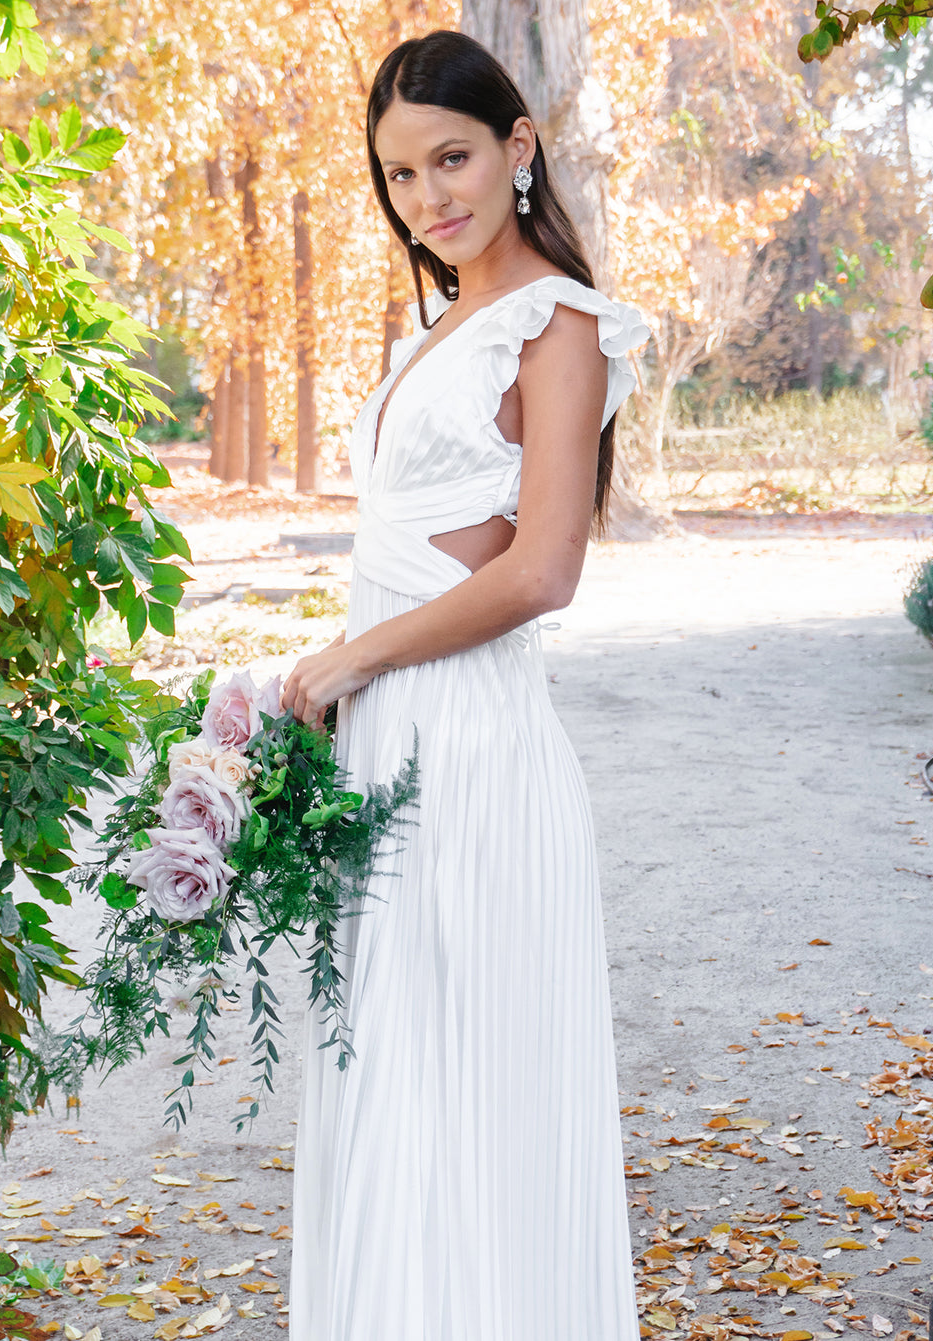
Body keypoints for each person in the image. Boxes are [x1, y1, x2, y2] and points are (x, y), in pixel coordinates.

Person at [280, 28, 649, 1341]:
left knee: (473, 1104)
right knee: (389, 1094)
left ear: (519, 148)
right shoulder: (440, 327)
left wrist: (355, 658)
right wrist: (319, 687)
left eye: (453, 158)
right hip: (385, 745)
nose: (429, 197)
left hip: (474, 755)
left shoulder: (562, 328)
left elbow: (544, 569)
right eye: (399, 176)